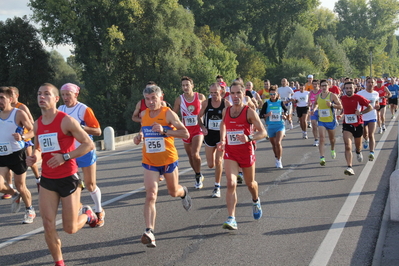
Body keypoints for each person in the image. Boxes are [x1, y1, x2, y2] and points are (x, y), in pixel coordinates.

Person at [26, 83, 97, 266]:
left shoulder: (66, 120)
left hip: (68, 178)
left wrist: (65, 156)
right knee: (48, 224)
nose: (42, 97)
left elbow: (88, 144)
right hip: (48, 179)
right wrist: (34, 157)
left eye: (47, 94)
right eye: (39, 93)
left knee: (70, 228)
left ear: (56, 99)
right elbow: (39, 148)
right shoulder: (37, 123)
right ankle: (59, 262)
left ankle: (88, 214)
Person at [134, 85, 192, 248]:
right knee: (151, 194)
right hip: (150, 161)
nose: (151, 102)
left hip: (168, 160)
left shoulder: (168, 114)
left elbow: (185, 133)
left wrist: (165, 131)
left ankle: (183, 191)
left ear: (161, 97)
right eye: (147, 99)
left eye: (154, 98)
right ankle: (149, 231)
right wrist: (139, 136)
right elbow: (144, 130)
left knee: (173, 192)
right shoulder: (144, 114)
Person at [217, 81, 266, 230]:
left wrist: (249, 137)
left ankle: (256, 200)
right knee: (231, 183)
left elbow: (263, 132)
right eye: (232, 93)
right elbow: (223, 124)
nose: (235, 96)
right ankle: (231, 218)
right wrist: (222, 140)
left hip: (246, 152)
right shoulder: (227, 111)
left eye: (238, 93)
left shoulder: (249, 112)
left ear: (244, 94)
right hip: (231, 153)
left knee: (250, 184)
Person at [58, 83, 105, 227]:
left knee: (90, 185)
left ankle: (99, 211)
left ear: (76, 94)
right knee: (71, 184)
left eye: (68, 94)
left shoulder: (83, 109)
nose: (65, 98)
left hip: (85, 150)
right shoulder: (60, 109)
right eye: (63, 95)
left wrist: (81, 127)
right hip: (69, 152)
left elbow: (98, 131)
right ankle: (81, 208)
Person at [0, 86, 35, 224]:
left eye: (2, 98)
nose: (0, 101)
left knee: (21, 185)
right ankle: (14, 194)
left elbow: (33, 130)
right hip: (2, 154)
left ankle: (29, 210)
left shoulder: (18, 113)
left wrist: (23, 136)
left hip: (17, 154)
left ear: (10, 99)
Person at [173, 76, 206, 189]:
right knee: (190, 157)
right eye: (183, 85)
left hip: (198, 130)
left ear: (192, 85)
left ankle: (197, 177)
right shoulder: (179, 99)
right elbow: (173, 115)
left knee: (195, 154)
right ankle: (198, 173)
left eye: (187, 85)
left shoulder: (200, 97)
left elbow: (207, 110)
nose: (185, 87)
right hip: (186, 131)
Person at [199, 83, 230, 198]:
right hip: (209, 136)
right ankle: (217, 175)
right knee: (211, 164)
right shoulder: (206, 103)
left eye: (215, 93)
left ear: (220, 92)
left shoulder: (226, 104)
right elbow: (198, 117)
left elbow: (228, 120)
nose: (213, 95)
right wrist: (202, 127)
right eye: (211, 93)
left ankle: (217, 186)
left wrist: (224, 137)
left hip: (221, 136)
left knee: (218, 161)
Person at [337, 82, 373, 175]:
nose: (348, 90)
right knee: (348, 146)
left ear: (354, 88)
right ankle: (349, 167)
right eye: (347, 88)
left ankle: (358, 151)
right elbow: (342, 108)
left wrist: (361, 113)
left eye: (350, 88)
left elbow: (370, 107)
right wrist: (341, 114)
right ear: (344, 89)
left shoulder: (358, 98)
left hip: (358, 124)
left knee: (358, 146)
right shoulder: (343, 98)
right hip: (347, 124)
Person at [312, 80, 342, 166]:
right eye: (322, 86)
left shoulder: (332, 96)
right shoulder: (318, 96)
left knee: (332, 139)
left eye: (325, 85)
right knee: (321, 138)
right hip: (321, 121)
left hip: (331, 121)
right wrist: (314, 109)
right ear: (320, 87)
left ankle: (332, 149)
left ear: (328, 86)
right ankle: (322, 157)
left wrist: (332, 105)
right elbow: (316, 104)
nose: (324, 87)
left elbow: (340, 106)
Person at [260, 86, 287, 168]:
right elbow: (261, 115)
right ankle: (276, 157)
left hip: (280, 125)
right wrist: (267, 115)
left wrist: (285, 115)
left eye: (274, 94)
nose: (272, 95)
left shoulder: (280, 102)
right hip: (271, 126)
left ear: (277, 94)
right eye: (271, 94)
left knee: (278, 143)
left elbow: (285, 110)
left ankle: (279, 160)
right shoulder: (266, 103)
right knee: (274, 145)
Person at [357, 77, 380, 161]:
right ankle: (365, 140)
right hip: (363, 116)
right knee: (365, 135)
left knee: (371, 134)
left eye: (372, 82)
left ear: (374, 84)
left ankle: (371, 152)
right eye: (369, 82)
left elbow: (377, 102)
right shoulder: (360, 93)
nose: (370, 84)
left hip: (372, 116)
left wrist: (378, 106)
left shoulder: (376, 93)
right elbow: (357, 104)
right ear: (366, 83)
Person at [308, 80, 321, 146]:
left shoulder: (321, 92)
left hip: (321, 111)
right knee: (314, 124)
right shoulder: (311, 93)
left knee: (321, 126)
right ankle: (316, 139)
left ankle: (321, 138)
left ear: (318, 85)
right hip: (313, 111)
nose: (315, 85)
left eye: (316, 84)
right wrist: (309, 105)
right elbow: (308, 102)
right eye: (314, 84)